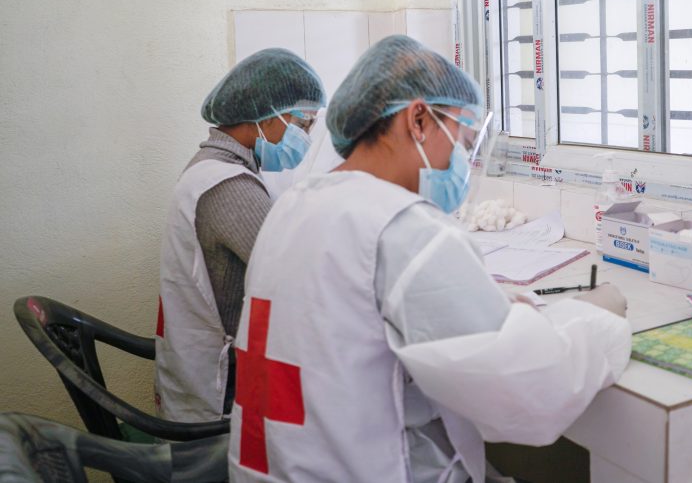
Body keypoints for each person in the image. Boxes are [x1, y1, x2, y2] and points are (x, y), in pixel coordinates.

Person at [228, 35, 631, 482]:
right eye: (460, 135)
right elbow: (526, 395)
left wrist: (479, 301)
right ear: (417, 119)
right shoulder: (401, 227)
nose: (462, 158)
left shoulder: (295, 205)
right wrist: (596, 318)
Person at [154, 48, 325, 423]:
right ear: (264, 115)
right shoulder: (228, 185)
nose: (307, 136)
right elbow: (300, 273)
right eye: (302, 123)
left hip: (197, 367)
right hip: (219, 396)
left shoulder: (211, 167)